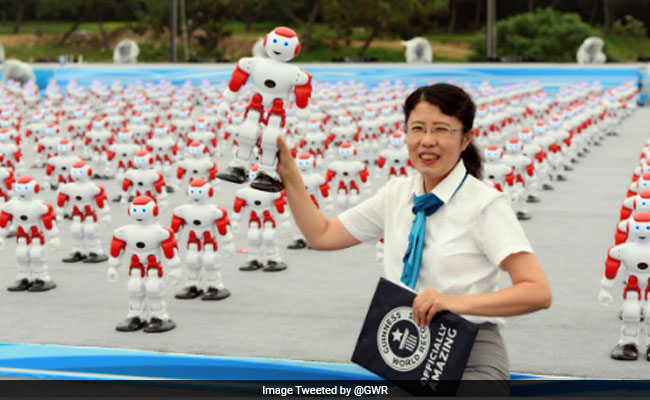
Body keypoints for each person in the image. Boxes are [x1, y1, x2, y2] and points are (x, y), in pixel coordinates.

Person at [276, 83, 552, 391]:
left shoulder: (485, 204)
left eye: (442, 130)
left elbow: (537, 291)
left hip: (469, 348)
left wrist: (451, 302)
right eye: (417, 128)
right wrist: (289, 175)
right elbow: (322, 235)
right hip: (408, 351)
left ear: (466, 139)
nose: (427, 141)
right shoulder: (396, 195)